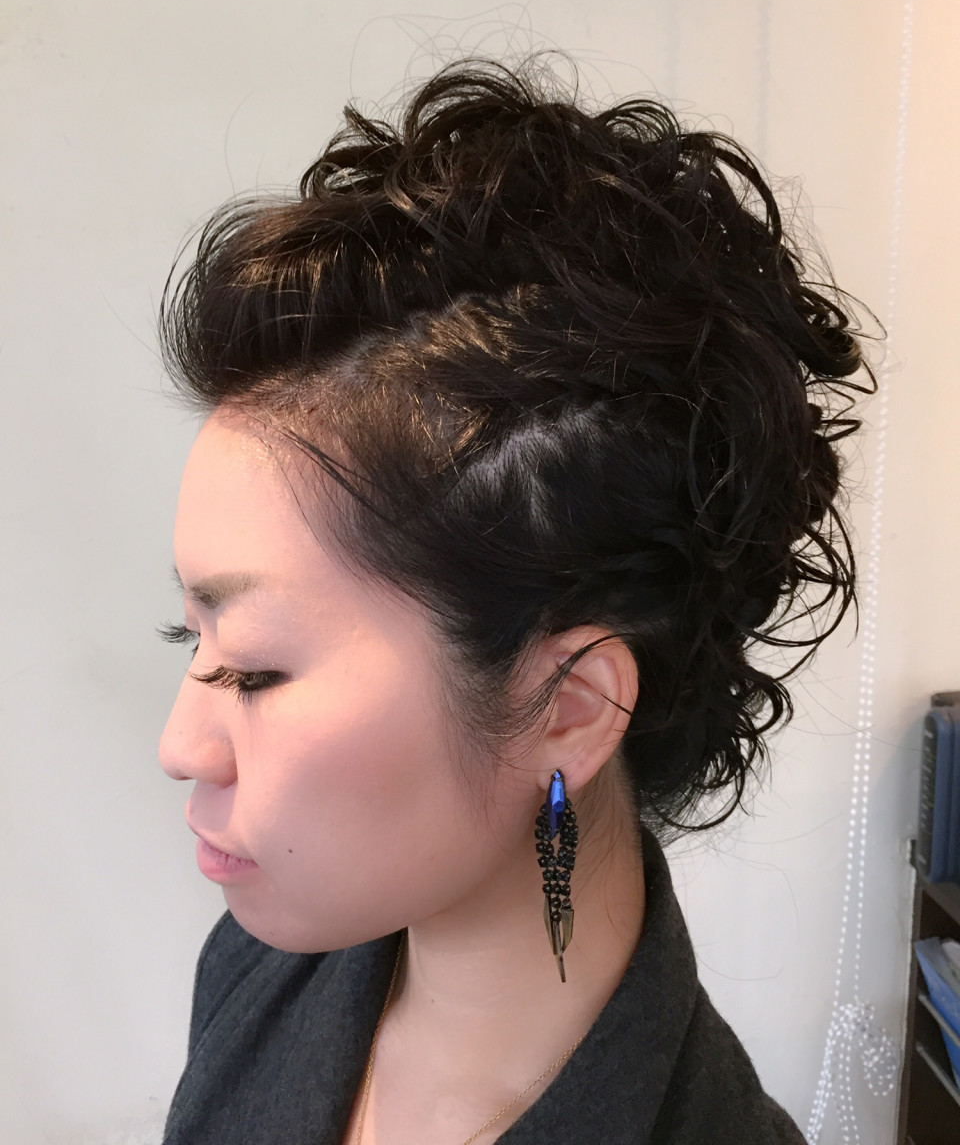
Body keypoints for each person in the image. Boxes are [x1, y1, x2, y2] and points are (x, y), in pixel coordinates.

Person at [155, 55, 873, 1145]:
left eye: (252, 667)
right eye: (190, 635)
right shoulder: (259, 973)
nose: (181, 745)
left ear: (570, 707)